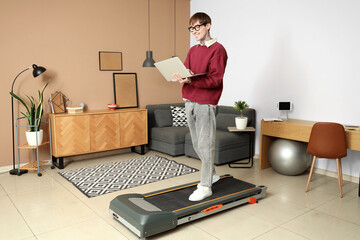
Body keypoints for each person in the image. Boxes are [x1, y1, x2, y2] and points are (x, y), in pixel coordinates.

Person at [172, 12, 228, 201]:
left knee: (205, 145)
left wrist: (191, 80)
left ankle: (206, 186)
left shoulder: (218, 49)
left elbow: (215, 80)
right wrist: (181, 77)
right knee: (197, 144)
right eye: (192, 28)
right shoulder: (193, 50)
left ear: (208, 26)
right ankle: (211, 174)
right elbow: (187, 71)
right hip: (189, 100)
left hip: (205, 103)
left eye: (198, 27)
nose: (194, 31)